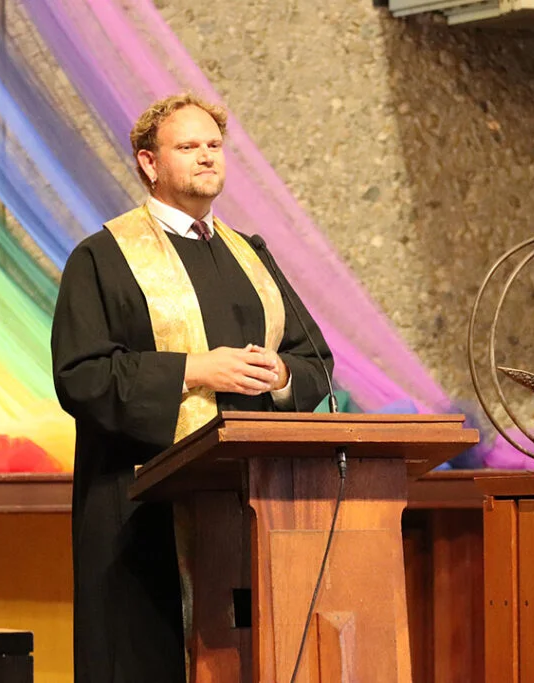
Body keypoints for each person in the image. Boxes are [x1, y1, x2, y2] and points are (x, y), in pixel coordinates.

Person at [51, 93, 332, 683]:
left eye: (213, 145)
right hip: (141, 509)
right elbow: (81, 377)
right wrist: (193, 371)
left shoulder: (249, 254)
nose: (207, 157)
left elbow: (315, 361)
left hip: (246, 506)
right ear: (149, 163)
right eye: (188, 146)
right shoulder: (103, 256)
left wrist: (279, 375)